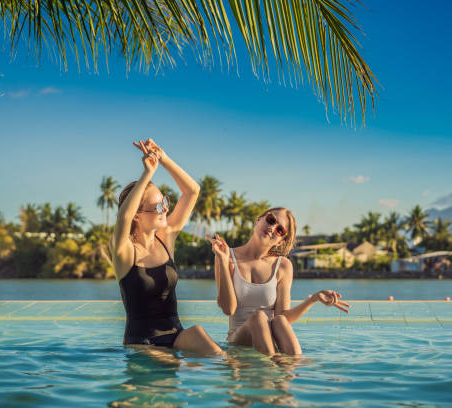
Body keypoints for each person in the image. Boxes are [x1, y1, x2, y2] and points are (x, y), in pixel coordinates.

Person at [110, 138, 222, 355]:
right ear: (137, 216)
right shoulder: (124, 251)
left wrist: (163, 159)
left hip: (176, 334)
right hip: (142, 343)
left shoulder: (166, 238)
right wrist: (147, 174)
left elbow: (192, 191)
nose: (165, 210)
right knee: (170, 371)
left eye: (165, 202)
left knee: (214, 352)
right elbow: (123, 216)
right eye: (158, 206)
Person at [207, 207, 350, 356]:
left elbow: (283, 316)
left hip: (270, 340)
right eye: (271, 220)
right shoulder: (226, 256)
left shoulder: (283, 266)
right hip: (239, 340)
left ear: (280, 242)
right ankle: (274, 368)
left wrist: (313, 299)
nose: (272, 228)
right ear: (258, 220)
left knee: (280, 321)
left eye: (280, 230)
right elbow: (228, 309)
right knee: (258, 317)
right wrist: (223, 262)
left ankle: (293, 370)